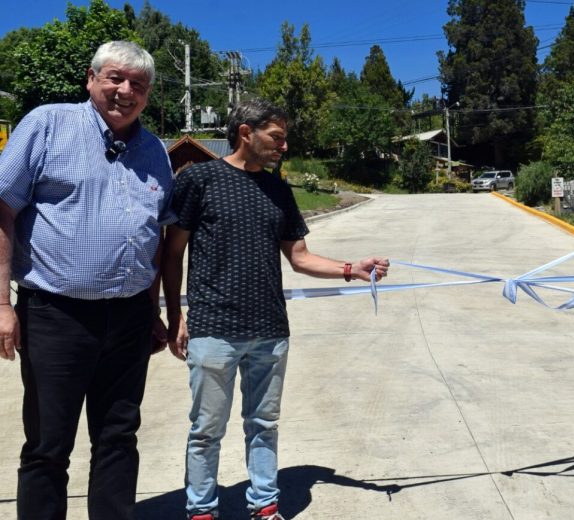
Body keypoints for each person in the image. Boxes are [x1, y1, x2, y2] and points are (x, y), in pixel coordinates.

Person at [162, 98, 390, 520]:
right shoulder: (200, 181)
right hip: (213, 329)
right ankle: (200, 511)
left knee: (264, 426)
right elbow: (172, 253)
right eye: (276, 137)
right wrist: (176, 316)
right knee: (206, 431)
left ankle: (264, 506)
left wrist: (350, 268)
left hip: (269, 331)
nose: (283, 147)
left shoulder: (278, 190)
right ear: (245, 133)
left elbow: (300, 256)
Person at [0, 41, 173, 519]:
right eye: (115, 78)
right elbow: (3, 210)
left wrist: (154, 309)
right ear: (91, 79)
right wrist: (1, 306)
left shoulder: (155, 149)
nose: (125, 91)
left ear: (148, 93)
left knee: (118, 438)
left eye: (138, 84)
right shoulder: (47, 124)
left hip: (131, 317)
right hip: (57, 315)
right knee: (48, 444)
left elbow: (155, 235)